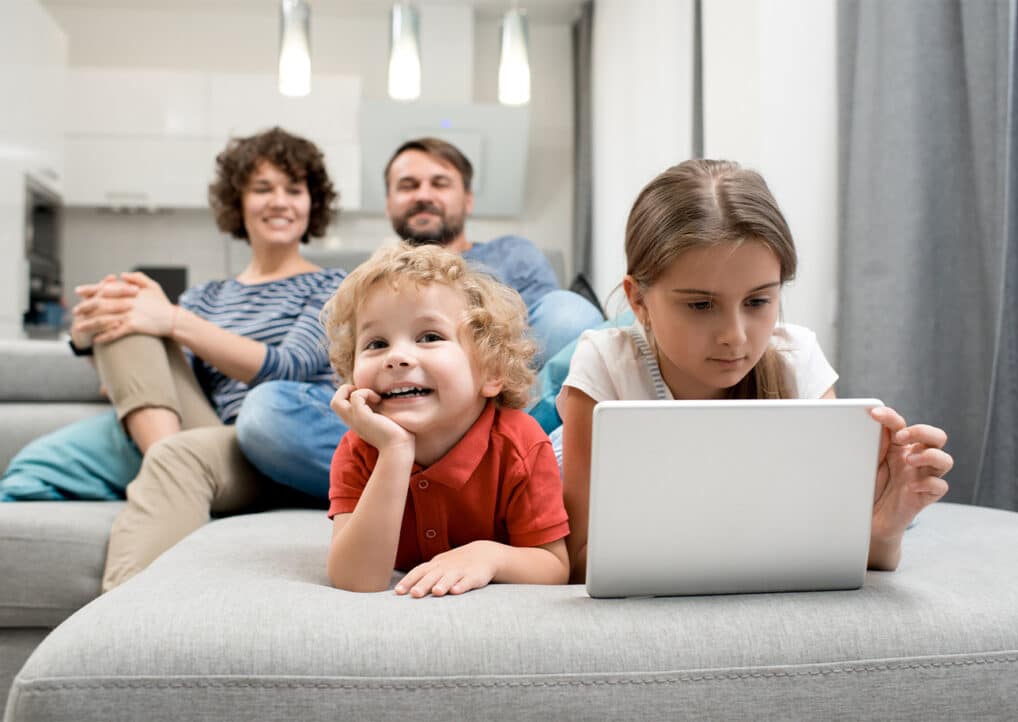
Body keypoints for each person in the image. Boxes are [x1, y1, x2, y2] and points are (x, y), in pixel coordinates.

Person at [557, 159, 954, 583]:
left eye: (758, 302)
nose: (736, 336)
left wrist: (883, 528)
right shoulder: (603, 366)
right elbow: (581, 562)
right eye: (701, 305)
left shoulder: (796, 358)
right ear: (638, 302)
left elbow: (857, 555)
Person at [1, 126, 346, 591]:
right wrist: (89, 339)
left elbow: (286, 368)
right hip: (208, 432)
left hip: (276, 445)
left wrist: (173, 320)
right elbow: (150, 379)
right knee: (125, 300)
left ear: (313, 203)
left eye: (294, 189)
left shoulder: (331, 286)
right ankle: (165, 456)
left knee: (146, 315)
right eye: (262, 188)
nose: (279, 201)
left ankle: (123, 610)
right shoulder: (206, 297)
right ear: (238, 202)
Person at [237, 137, 605, 496]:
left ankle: (507, 466)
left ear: (468, 199)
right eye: (408, 185)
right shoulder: (372, 278)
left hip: (503, 413)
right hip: (402, 416)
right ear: (389, 204)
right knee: (264, 413)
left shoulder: (513, 254)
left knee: (569, 314)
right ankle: (420, 475)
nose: (423, 194)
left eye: (439, 183)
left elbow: (541, 353)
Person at [323, 244, 570, 596]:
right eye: (376, 343)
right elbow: (357, 580)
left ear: (491, 371)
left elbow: (555, 567)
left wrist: (489, 556)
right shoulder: (359, 449)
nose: (396, 357)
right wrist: (394, 451)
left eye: (429, 337)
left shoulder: (521, 444)